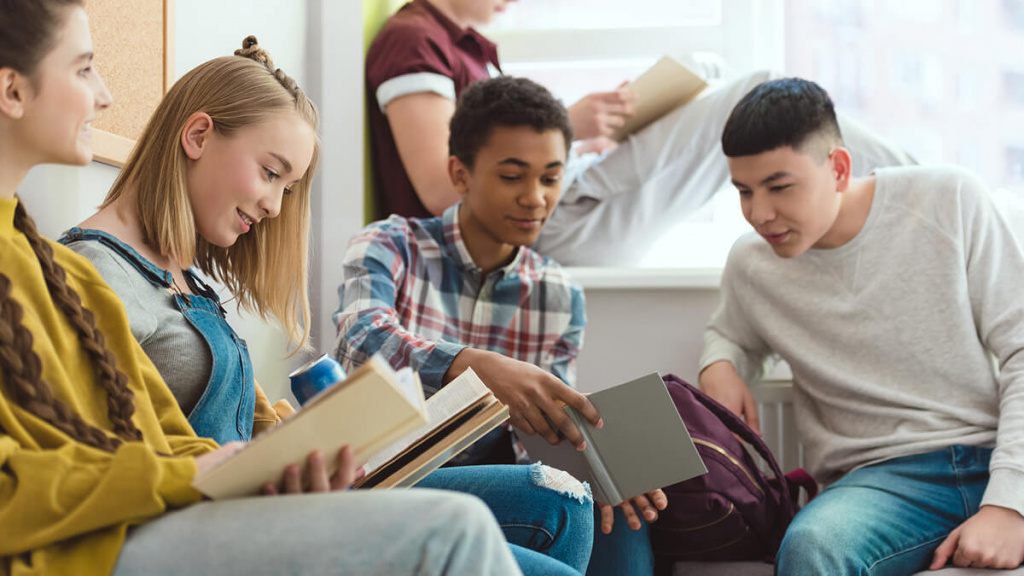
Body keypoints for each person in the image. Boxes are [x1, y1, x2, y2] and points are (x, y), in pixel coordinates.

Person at [0, 2, 527, 575]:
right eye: (83, 69)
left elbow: (159, 437)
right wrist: (217, 471)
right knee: (463, 529)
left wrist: (278, 456)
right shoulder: (90, 272)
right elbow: (122, 454)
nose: (105, 96)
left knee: (550, 503)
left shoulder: (56, 267)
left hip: (202, 502)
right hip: (141, 526)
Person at [336, 75, 667, 576]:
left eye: (551, 178)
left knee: (619, 513)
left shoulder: (559, 294)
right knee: (558, 499)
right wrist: (471, 367)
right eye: (513, 176)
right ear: (460, 173)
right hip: (388, 478)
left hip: (499, 481)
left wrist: (602, 467)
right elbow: (359, 340)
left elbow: (539, 436)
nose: (536, 198)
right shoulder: (390, 244)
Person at [699, 77, 1024, 574]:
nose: (759, 214)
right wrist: (719, 363)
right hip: (878, 484)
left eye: (779, 187)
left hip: (989, 452)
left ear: (839, 168)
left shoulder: (949, 200)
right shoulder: (752, 265)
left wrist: (1008, 505)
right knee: (811, 548)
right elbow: (729, 332)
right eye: (743, 191)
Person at [366, 0, 916, 265]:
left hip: (571, 206)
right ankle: (918, 186)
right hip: (554, 226)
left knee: (714, 78)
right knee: (764, 86)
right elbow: (443, 190)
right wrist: (569, 127)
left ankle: (913, 191)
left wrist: (596, 135)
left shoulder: (462, 49)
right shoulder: (414, 42)